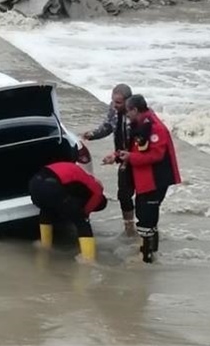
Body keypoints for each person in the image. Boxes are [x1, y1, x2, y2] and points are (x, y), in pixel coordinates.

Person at [116, 94, 181, 263]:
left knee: (147, 217)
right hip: (145, 179)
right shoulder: (142, 124)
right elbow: (135, 148)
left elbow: (156, 155)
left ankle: (148, 258)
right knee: (146, 216)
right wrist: (118, 155)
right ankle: (148, 253)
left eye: (128, 111)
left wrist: (131, 158)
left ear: (135, 110)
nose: (127, 115)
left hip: (155, 179)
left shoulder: (155, 128)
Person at [82, 84, 137, 237]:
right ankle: (129, 228)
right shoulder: (114, 109)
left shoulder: (136, 115)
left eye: (118, 102)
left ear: (128, 102)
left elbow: (136, 143)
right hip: (123, 158)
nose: (114, 105)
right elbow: (108, 126)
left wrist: (116, 156)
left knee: (144, 197)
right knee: (123, 194)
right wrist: (91, 135)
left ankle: (146, 227)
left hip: (139, 159)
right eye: (113, 101)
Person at [28, 162, 108, 262]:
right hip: (51, 186)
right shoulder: (97, 192)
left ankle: (45, 246)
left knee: (47, 209)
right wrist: (81, 216)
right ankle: (88, 259)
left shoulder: (83, 176)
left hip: (34, 185)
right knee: (82, 222)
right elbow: (85, 212)